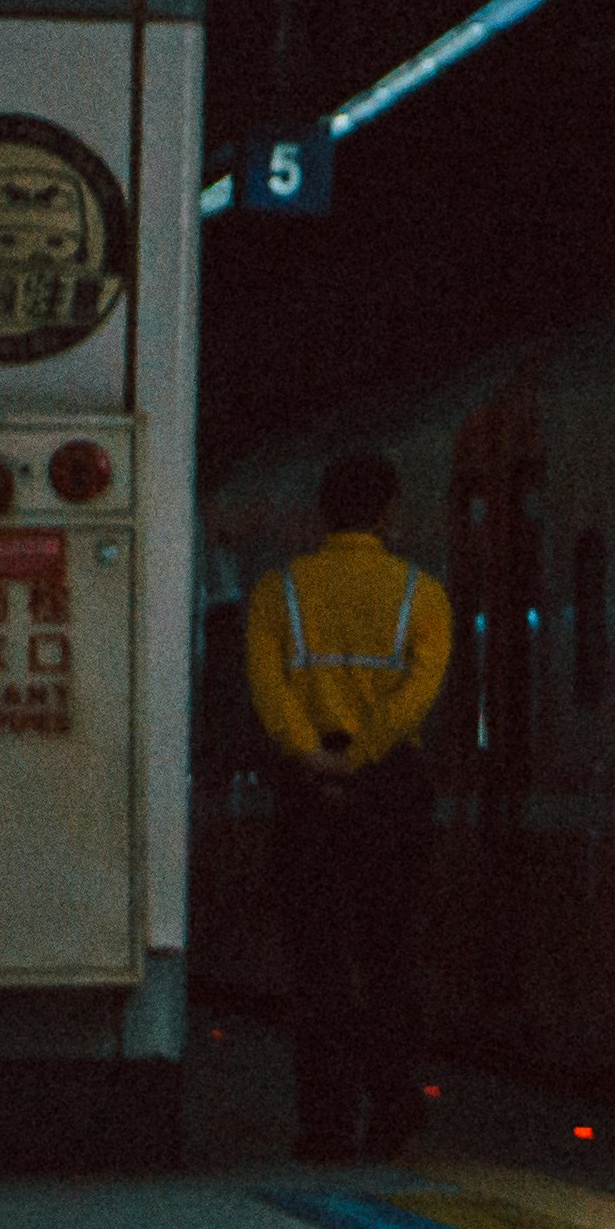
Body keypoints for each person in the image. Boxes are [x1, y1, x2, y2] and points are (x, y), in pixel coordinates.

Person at [245, 450, 454, 1164]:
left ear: (322, 512)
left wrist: (312, 756)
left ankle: (325, 1124)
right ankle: (392, 1110)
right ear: (389, 512)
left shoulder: (278, 593)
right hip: (392, 791)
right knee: (391, 957)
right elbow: (419, 692)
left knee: (318, 964)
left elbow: (268, 689)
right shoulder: (422, 596)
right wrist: (364, 755)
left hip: (306, 794)